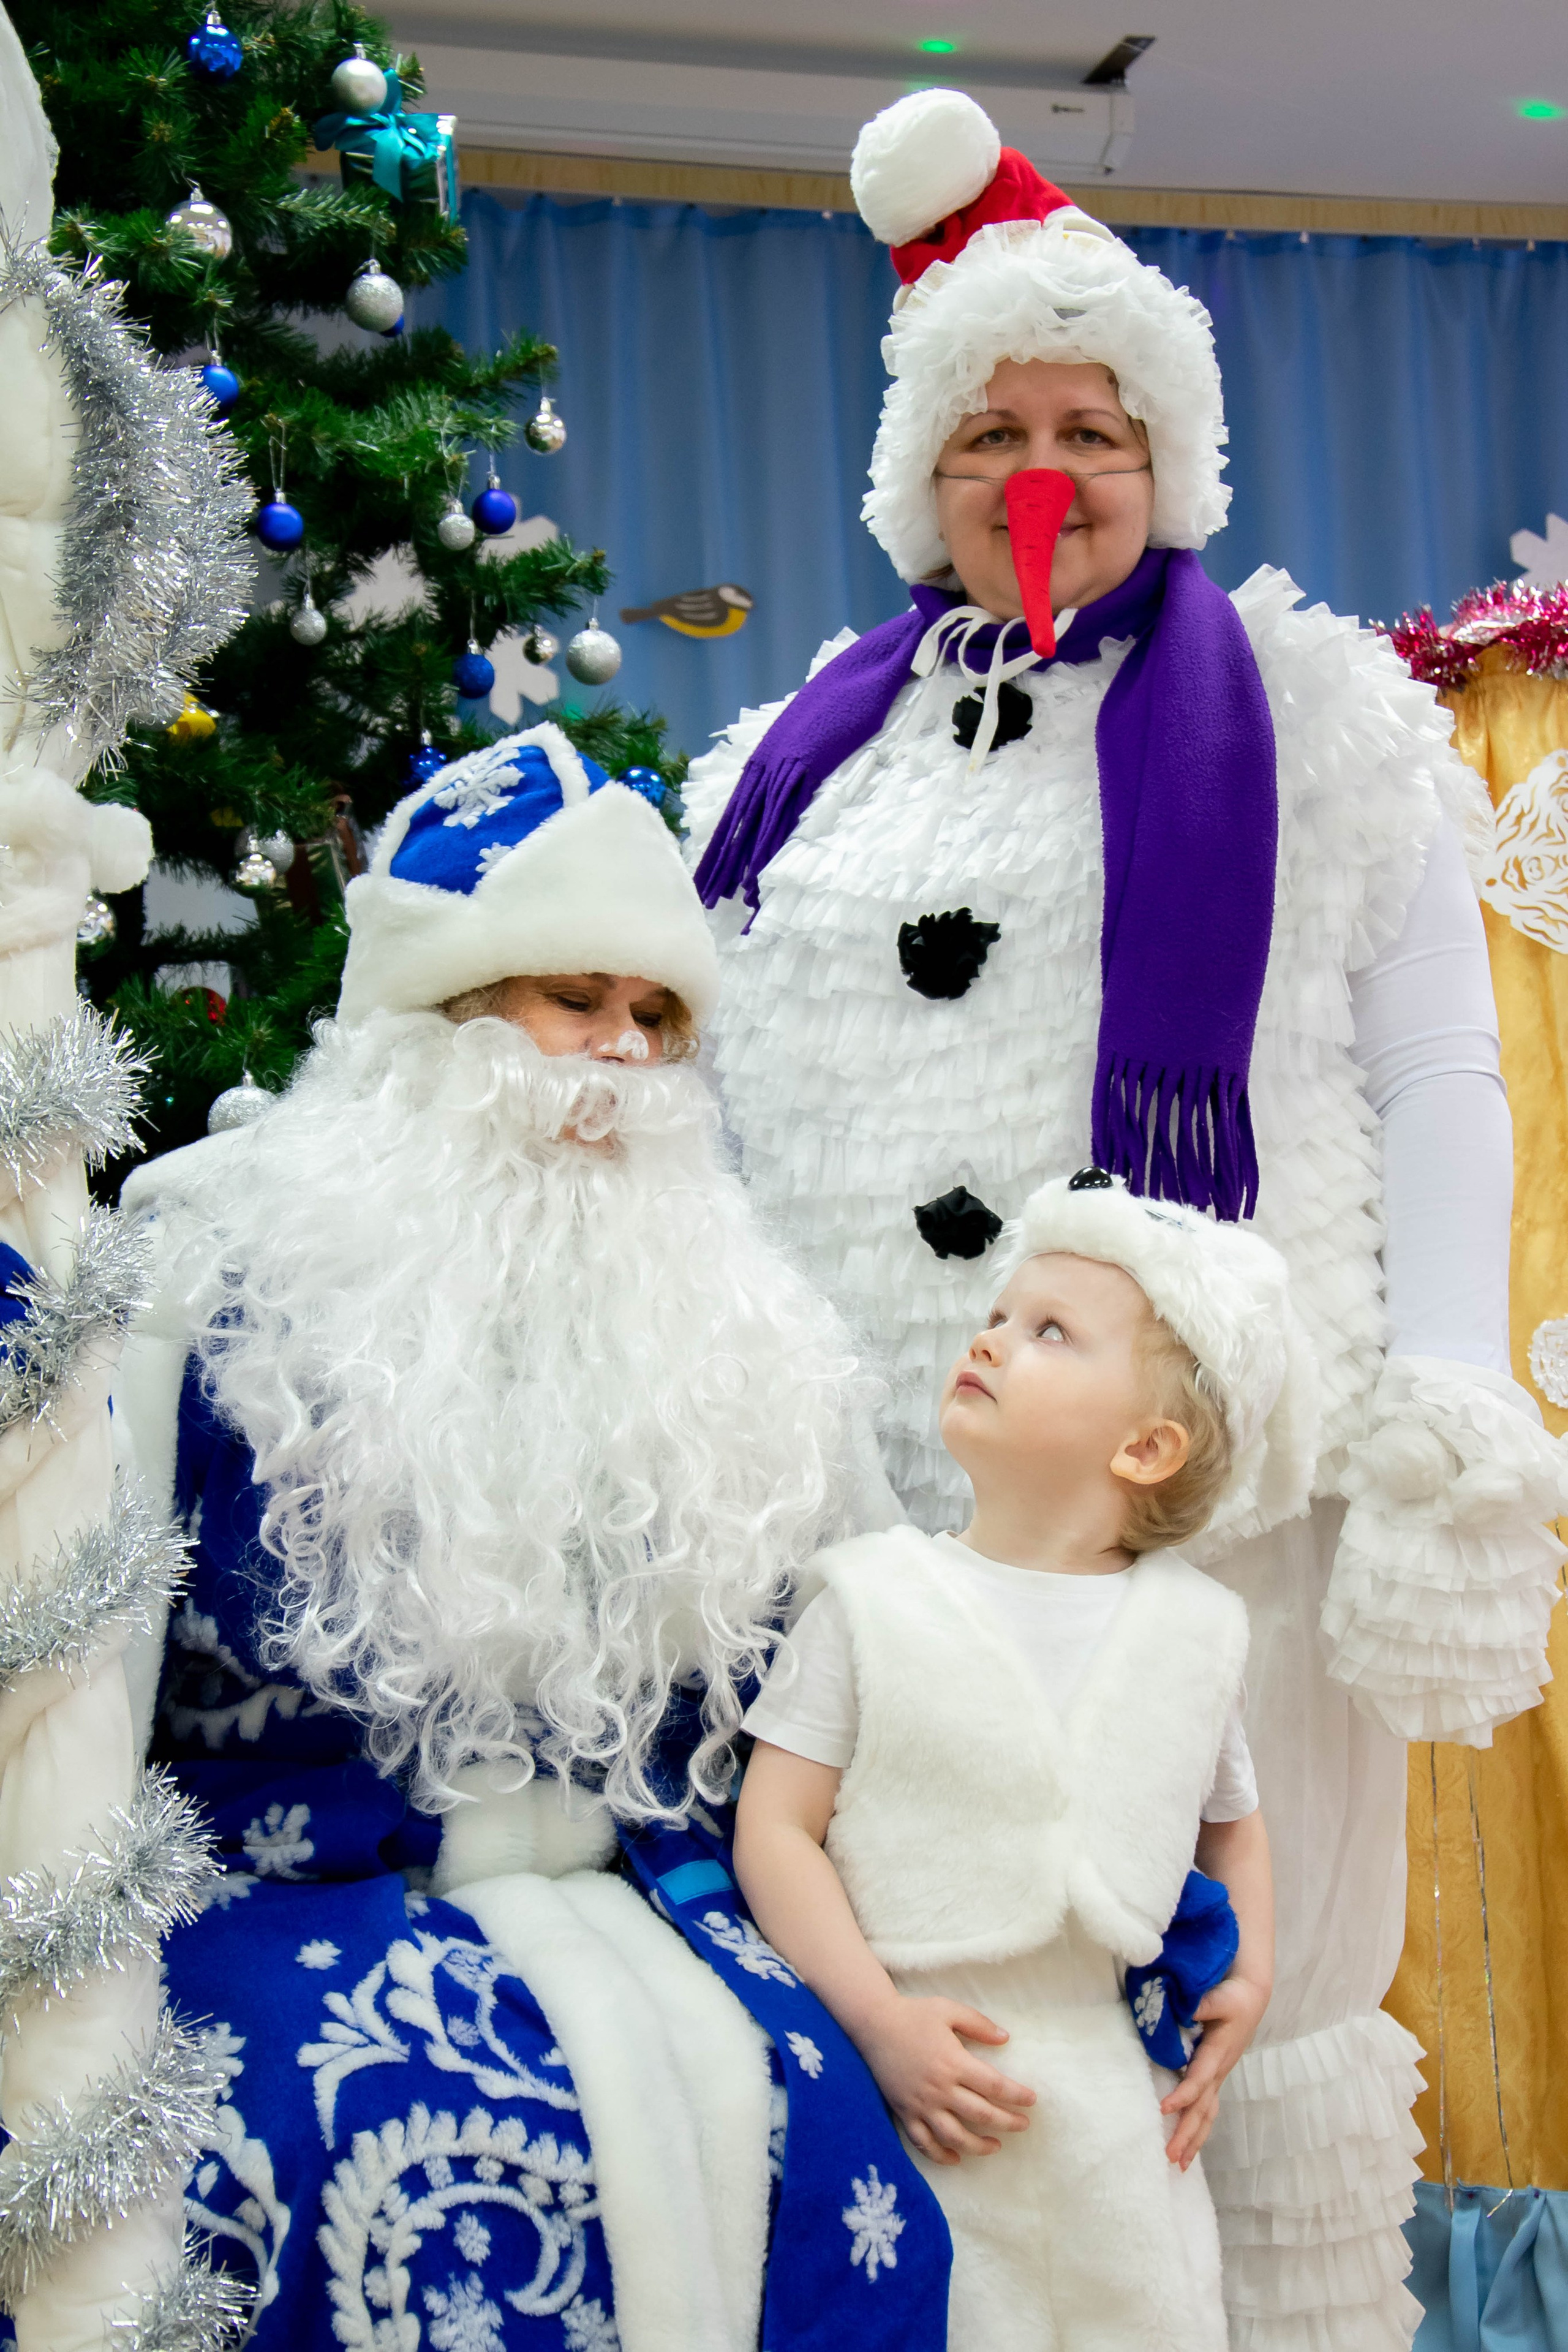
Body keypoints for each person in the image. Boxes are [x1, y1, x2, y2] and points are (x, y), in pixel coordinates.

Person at [686, 89, 1568, 2348]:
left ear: (1172, 454)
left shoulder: (1313, 709)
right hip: (900, 1502)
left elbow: (1437, 1067)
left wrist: (1452, 1389)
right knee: (941, 2008)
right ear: (917, 472)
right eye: (993, 426)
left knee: (1253, 2012)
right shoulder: (795, 755)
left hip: (1220, 1492)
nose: (1046, 463)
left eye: (1098, 419)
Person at [107, 723, 951, 2351]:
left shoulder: (740, 1308)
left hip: (668, 1884)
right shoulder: (200, 1265)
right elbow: (72, 1676)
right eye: (576, 1001)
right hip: (283, 1899)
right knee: (391, 2161)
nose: (623, 1055)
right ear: (435, 1019)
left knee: (830, 2137)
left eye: (657, 1017)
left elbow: (892, 1629)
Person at [734, 1170, 1310, 2351]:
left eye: (1048, 1332)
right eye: (998, 1317)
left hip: (1115, 2110)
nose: (992, 1338)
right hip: (918, 2091)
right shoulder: (869, 1598)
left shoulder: (1195, 1631)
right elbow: (776, 1826)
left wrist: (1246, 1977)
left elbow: (1233, 1822)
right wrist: (879, 2023)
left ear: (1147, 1446)